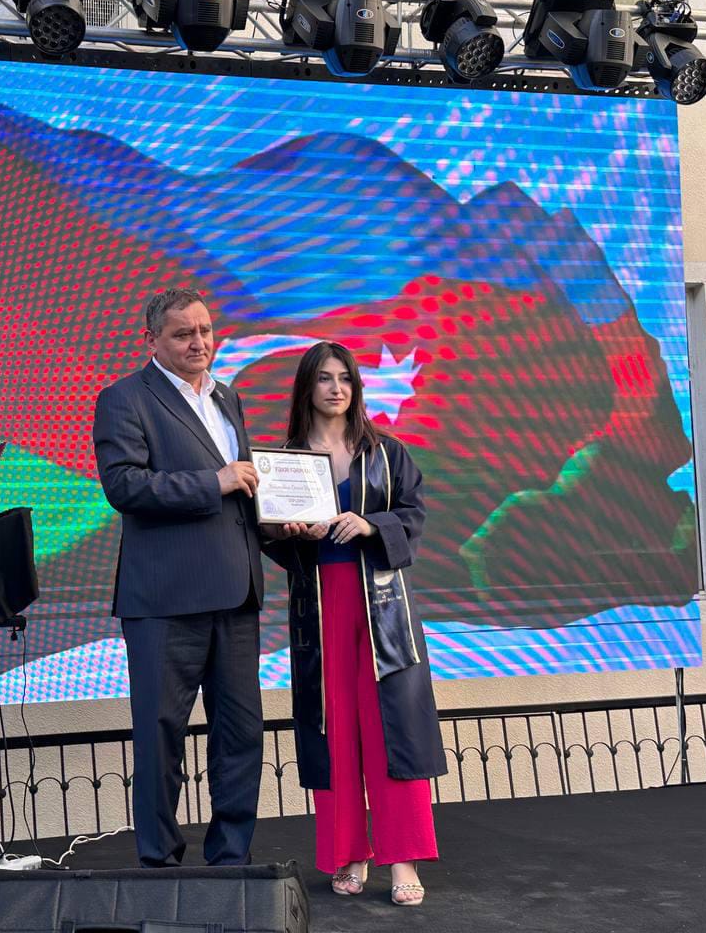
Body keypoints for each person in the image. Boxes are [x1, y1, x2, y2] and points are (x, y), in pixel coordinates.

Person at [263, 341, 446, 906]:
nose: (336, 388)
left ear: (356, 387)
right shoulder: (285, 460)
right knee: (334, 729)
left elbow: (413, 514)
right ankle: (348, 854)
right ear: (307, 387)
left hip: (383, 610)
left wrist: (370, 526)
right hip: (320, 608)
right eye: (324, 378)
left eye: (344, 377)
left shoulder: (387, 453)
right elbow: (268, 534)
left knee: (392, 729)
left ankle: (403, 860)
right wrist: (290, 532)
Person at [91, 287, 265, 869]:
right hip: (164, 600)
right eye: (183, 334)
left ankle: (231, 859)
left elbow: (243, 491)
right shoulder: (123, 398)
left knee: (240, 734)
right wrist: (214, 482)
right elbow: (125, 486)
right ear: (152, 339)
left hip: (236, 594)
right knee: (161, 735)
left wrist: (284, 520)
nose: (199, 343)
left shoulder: (228, 397)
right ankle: (160, 863)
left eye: (205, 331)